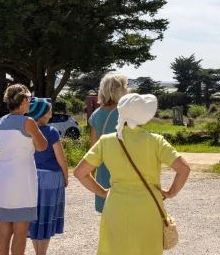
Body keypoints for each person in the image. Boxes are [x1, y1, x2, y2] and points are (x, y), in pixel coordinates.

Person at [74, 94, 191, 255]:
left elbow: (80, 172)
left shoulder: (106, 141)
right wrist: (170, 193)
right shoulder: (156, 141)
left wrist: (102, 192)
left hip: (116, 206)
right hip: (148, 207)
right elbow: (184, 169)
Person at [0, 84, 48, 255]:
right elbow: (42, 146)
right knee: (20, 231)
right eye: (29, 99)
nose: (30, 103)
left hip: (3, 178)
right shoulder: (28, 122)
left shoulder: (1, 122)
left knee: (4, 230)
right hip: (22, 180)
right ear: (23, 100)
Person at [26, 98, 68, 255]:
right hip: (51, 178)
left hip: (31, 176)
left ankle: (37, 251)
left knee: (35, 216)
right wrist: (66, 176)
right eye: (49, 110)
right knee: (47, 215)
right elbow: (61, 158)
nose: (51, 112)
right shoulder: (51, 132)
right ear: (43, 115)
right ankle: (41, 253)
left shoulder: (26, 131)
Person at [86, 73, 128, 213]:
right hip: (125, 166)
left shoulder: (96, 114)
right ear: (120, 90)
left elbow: (93, 147)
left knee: (108, 215)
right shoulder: (126, 113)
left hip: (104, 169)